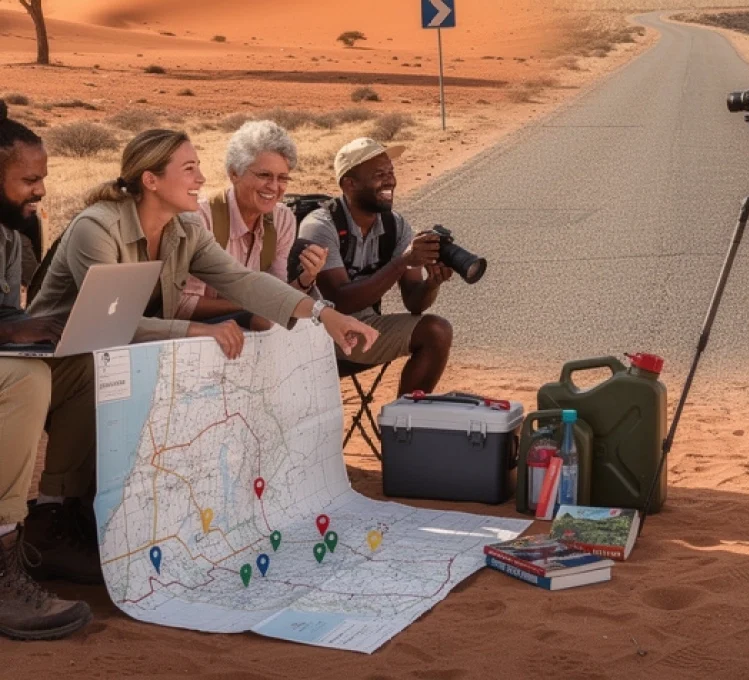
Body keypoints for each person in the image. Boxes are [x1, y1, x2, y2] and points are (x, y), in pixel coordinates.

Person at [23, 129, 380, 585]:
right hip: (57, 362)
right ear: (150, 180)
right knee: (108, 367)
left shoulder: (185, 228)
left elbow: (244, 282)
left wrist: (323, 315)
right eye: (189, 168)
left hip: (125, 355)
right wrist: (194, 328)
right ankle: (52, 518)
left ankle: (104, 515)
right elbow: (104, 327)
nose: (202, 178)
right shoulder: (98, 227)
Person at [0, 102, 92, 640]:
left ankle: (54, 518)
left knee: (81, 367)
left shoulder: (15, 229)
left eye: (43, 179)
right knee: (24, 378)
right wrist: (10, 333)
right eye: (28, 180)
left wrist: (40, 324)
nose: (39, 191)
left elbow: (14, 307)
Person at [299, 138, 454, 397]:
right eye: (379, 175)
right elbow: (340, 300)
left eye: (390, 172)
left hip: (365, 329)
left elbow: (415, 303)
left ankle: (403, 428)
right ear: (349, 184)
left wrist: (432, 282)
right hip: (319, 334)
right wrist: (403, 261)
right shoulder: (321, 226)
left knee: (436, 331)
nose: (389, 181)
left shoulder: (396, 226)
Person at [177, 120, 328, 328]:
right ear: (234, 173)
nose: (274, 187)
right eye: (264, 175)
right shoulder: (201, 219)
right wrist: (253, 302)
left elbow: (278, 296)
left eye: (283, 178)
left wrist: (306, 278)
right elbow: (183, 306)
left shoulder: (282, 220)